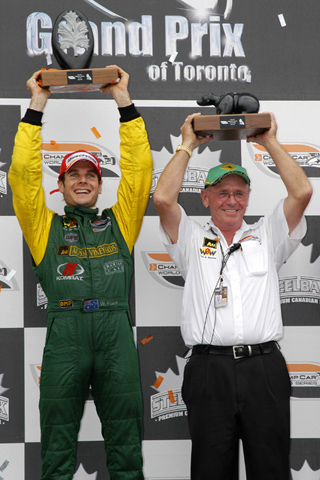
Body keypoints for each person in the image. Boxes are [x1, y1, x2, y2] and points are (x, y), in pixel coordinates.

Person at [9, 66, 153, 480]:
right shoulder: (44, 227)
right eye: (75, 174)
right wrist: (37, 102)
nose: (85, 180)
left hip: (114, 333)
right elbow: (21, 177)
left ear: (100, 183)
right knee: (56, 448)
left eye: (91, 174)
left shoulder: (120, 220)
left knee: (126, 447)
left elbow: (139, 170)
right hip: (66, 335)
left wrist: (123, 100)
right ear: (62, 184)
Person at [153, 112, 312, 480]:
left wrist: (269, 140)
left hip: (264, 368)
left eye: (239, 192)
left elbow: (302, 192)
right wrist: (188, 145)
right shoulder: (191, 239)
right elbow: (162, 199)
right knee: (211, 472)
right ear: (205, 197)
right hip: (209, 370)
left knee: (271, 470)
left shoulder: (268, 235)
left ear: (248, 198)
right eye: (222, 192)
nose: (231, 200)